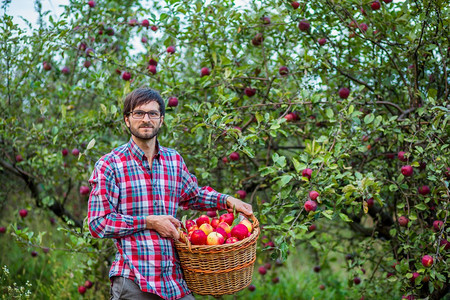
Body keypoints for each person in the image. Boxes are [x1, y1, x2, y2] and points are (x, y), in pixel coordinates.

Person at [87, 87, 253, 300]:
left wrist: (228, 200)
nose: (146, 119)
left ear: (161, 120)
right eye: (138, 113)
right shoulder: (109, 165)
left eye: (153, 113)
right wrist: (149, 222)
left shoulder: (173, 160)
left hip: (174, 282)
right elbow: (98, 223)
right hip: (135, 281)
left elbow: (193, 195)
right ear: (127, 120)